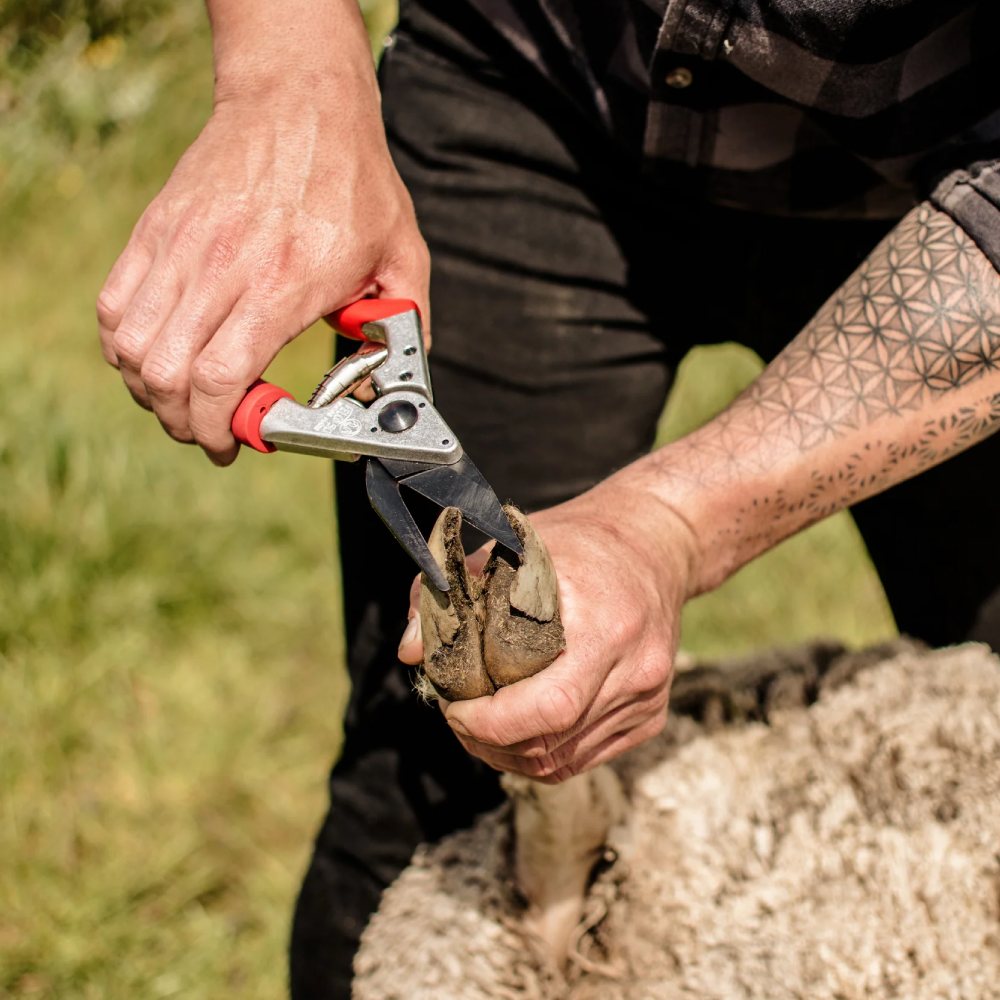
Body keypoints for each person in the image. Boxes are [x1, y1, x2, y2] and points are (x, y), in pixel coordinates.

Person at [97, 1, 1000, 995]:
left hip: (952, 163)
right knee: (442, 765)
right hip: (533, 86)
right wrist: (288, 71)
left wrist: (669, 524)